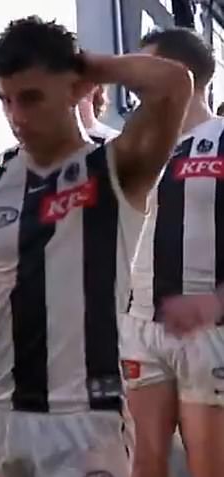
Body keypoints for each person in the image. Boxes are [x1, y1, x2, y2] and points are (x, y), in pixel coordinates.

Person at [0, 16, 192, 477]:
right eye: (5, 100)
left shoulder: (115, 167)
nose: (16, 117)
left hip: (89, 420)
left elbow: (173, 84)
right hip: (4, 417)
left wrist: (87, 64)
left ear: (74, 89)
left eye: (31, 97)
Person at [120, 27, 224, 477]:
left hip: (209, 330)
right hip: (140, 325)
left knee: (209, 465)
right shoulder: (131, 148)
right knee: (143, 464)